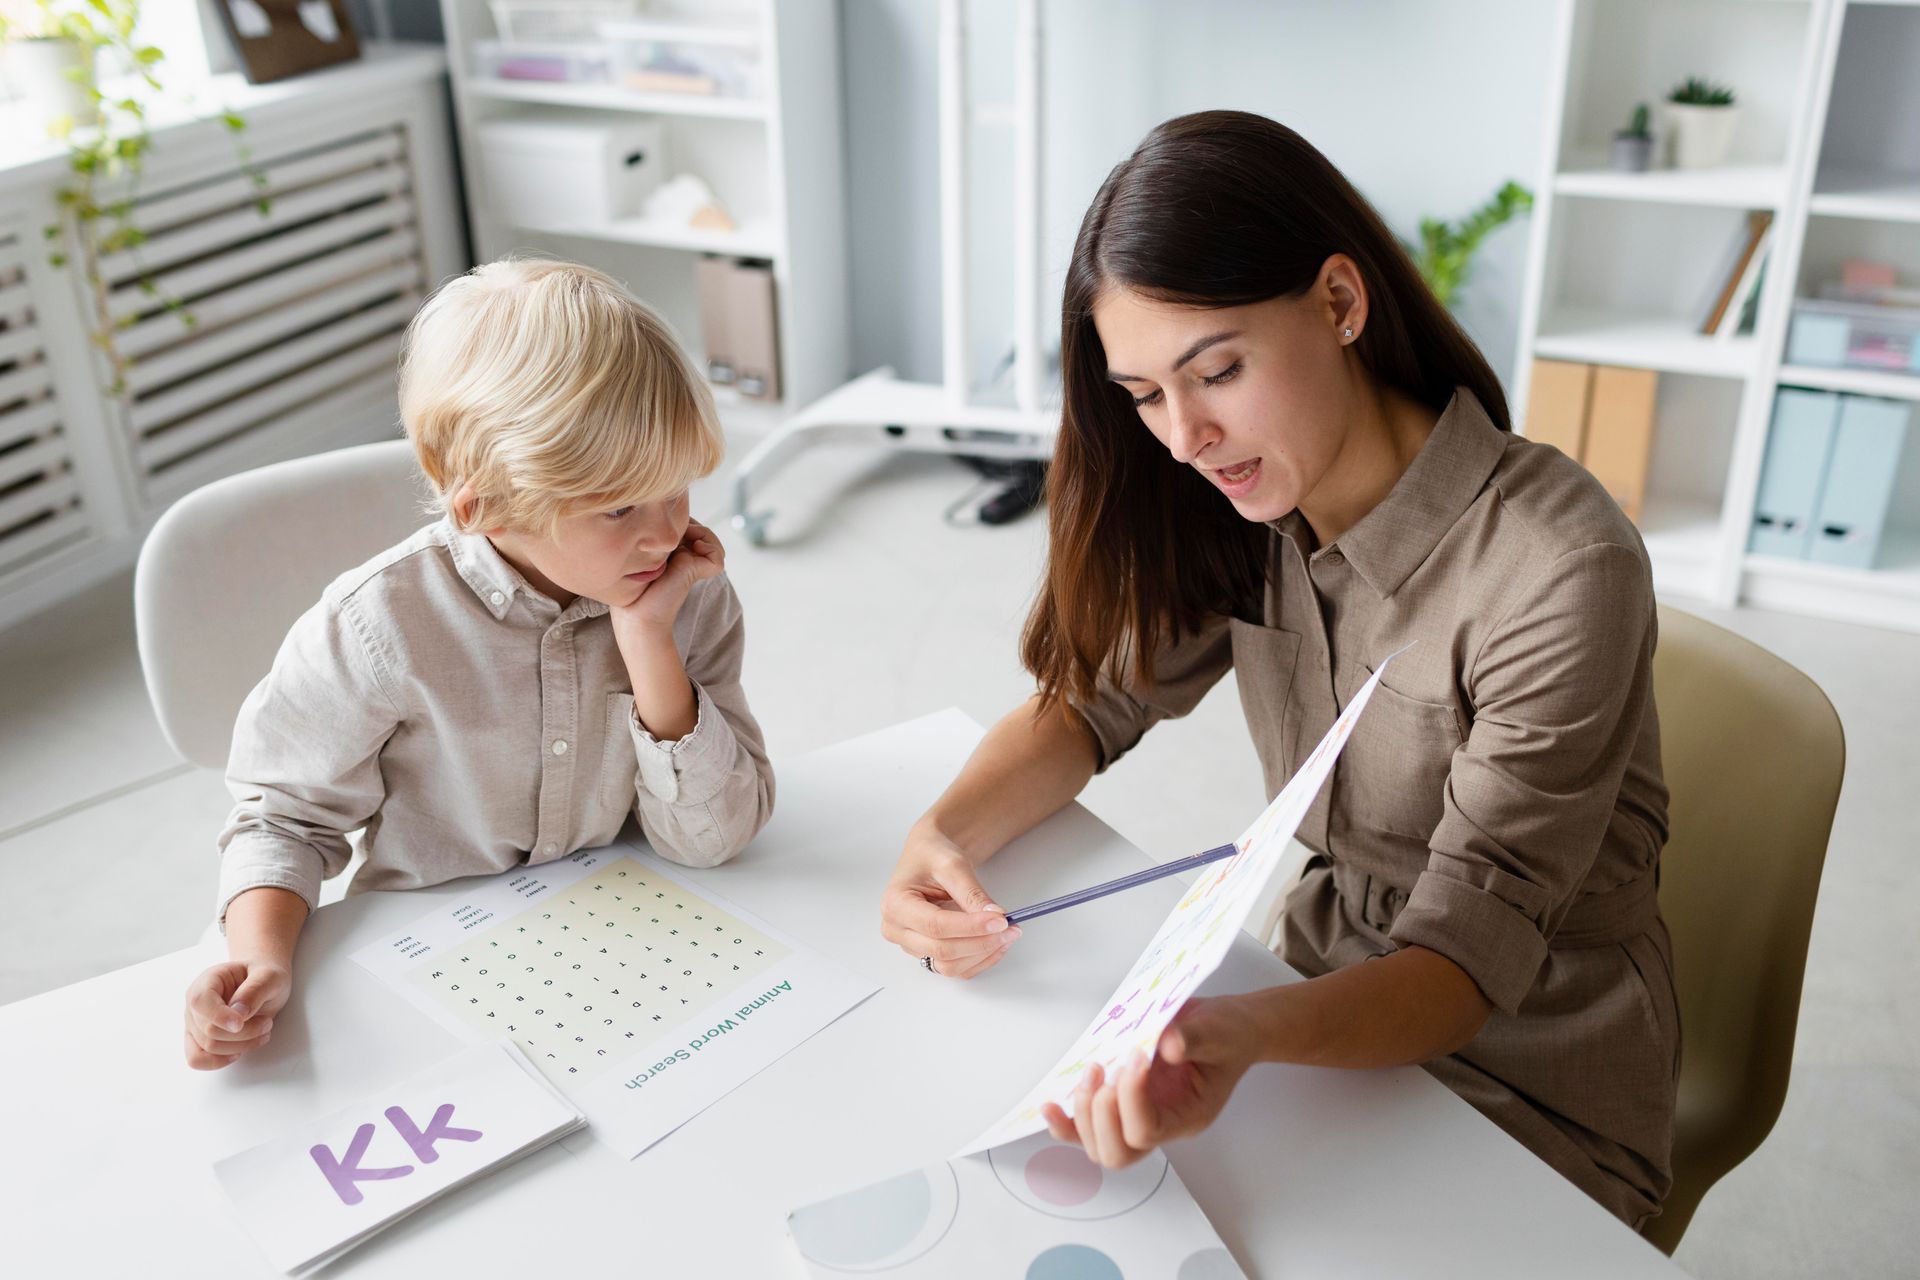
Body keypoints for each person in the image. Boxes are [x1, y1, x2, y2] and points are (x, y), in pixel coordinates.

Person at [879, 111, 1678, 1230]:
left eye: (1217, 371)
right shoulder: (1254, 495)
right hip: (1314, 985)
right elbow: (1091, 703)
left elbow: (1458, 961)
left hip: (1527, 1055)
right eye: (1147, 395)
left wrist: (1245, 1033)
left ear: (1341, 303)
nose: (1185, 437)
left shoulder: (1559, 568)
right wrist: (944, 835)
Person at [182, 257, 775, 1072]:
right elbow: (283, 820)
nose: (666, 533)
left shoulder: (685, 594)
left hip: (622, 944)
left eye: (678, 488)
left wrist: (648, 643)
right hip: (431, 965)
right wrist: (263, 960)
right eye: (618, 506)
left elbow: (715, 839)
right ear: (484, 505)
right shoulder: (379, 624)